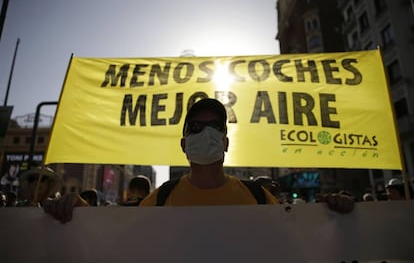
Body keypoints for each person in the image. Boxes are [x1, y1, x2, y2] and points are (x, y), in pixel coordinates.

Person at [44, 98, 354, 222]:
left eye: (214, 127)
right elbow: (115, 231)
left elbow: (300, 235)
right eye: (196, 128)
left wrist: (336, 212)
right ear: (183, 143)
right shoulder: (161, 199)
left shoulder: (259, 198)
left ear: (225, 141)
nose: (205, 133)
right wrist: (77, 212)